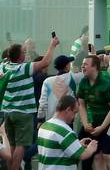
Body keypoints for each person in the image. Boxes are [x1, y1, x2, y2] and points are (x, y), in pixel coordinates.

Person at [1, 36, 59, 170]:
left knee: (12, 145)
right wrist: (52, 45)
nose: (25, 53)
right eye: (23, 52)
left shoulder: (3, 66)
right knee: (21, 145)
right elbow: (45, 62)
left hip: (8, 112)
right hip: (23, 113)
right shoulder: (24, 68)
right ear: (19, 56)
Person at [77, 54, 110, 170]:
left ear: (94, 67)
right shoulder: (83, 82)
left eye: (85, 64)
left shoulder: (105, 83)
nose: (82, 67)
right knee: (95, 156)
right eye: (82, 65)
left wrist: (102, 127)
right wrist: (85, 123)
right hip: (92, 124)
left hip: (107, 124)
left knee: (107, 155)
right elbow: (81, 104)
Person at [37, 95, 99, 170]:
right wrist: (91, 148)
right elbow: (83, 155)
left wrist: (77, 144)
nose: (75, 117)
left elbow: (57, 149)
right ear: (68, 110)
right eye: (75, 112)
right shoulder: (64, 131)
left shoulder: (44, 126)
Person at [38, 55, 82, 123]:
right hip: (67, 119)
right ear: (67, 66)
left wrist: (40, 119)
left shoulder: (47, 81)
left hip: (50, 120)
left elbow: (43, 103)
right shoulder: (72, 77)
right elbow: (87, 73)